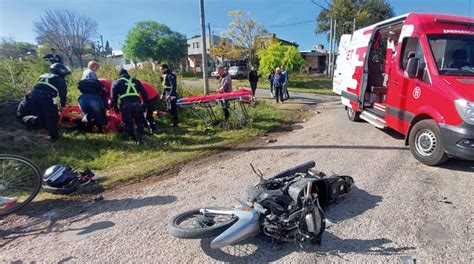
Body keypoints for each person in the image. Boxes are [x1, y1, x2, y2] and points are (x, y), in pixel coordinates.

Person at [23, 63, 70, 140]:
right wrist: (63, 105)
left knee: (41, 115)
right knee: (52, 116)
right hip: (46, 97)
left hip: (34, 96)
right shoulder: (59, 79)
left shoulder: (43, 75)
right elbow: (63, 93)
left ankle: (30, 123)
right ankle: (53, 136)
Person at [111, 69, 148, 144]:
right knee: (139, 121)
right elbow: (145, 93)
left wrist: (115, 107)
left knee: (127, 122)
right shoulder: (136, 81)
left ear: (119, 75)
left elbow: (113, 96)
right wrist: (144, 104)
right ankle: (139, 139)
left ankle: (132, 137)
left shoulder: (116, 82)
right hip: (137, 103)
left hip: (125, 104)